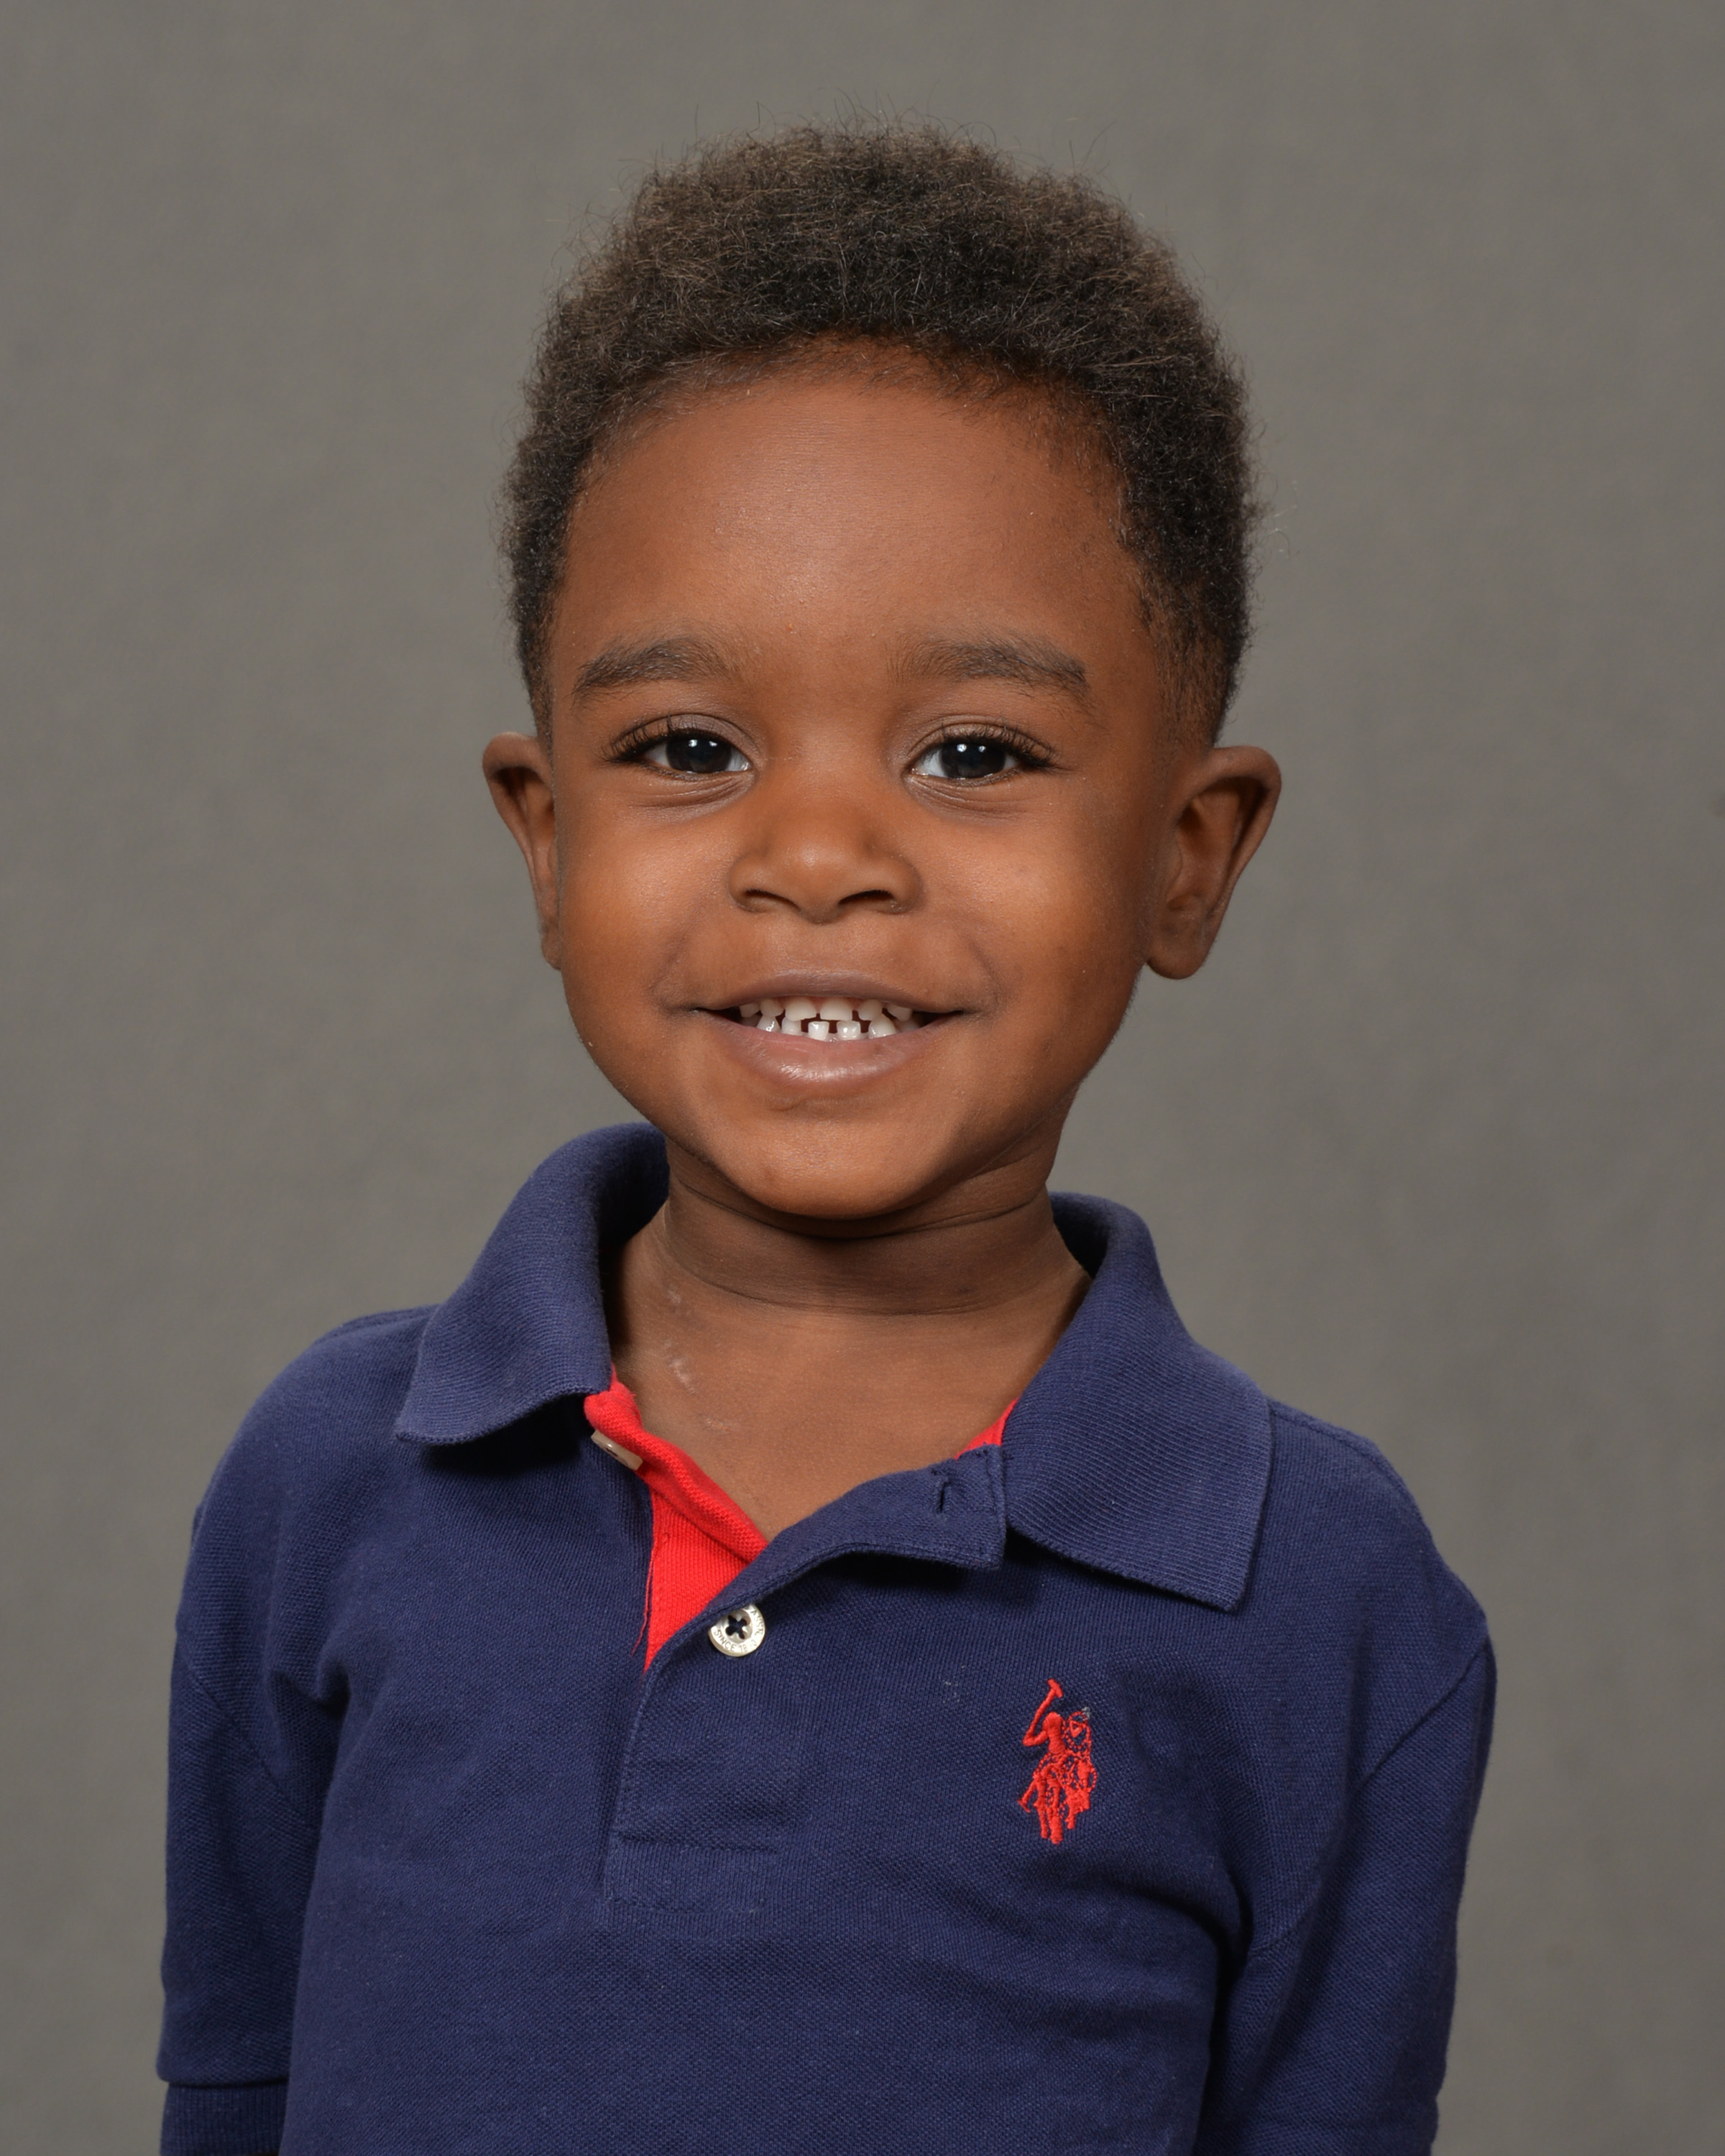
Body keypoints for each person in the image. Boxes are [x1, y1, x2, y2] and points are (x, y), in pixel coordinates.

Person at [157, 124, 1493, 2156]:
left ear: (1188, 855)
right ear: (546, 839)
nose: (817, 856)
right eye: (690, 749)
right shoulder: (333, 1488)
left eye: (975, 753)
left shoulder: (1319, 1600)